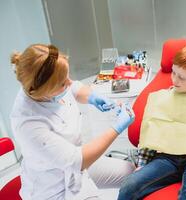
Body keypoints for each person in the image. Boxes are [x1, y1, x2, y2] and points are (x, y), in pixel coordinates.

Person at [10, 44, 135, 200]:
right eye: (63, 83)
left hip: (76, 167)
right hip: (54, 188)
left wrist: (93, 96)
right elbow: (77, 160)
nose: (69, 83)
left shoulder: (42, 84)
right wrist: (117, 127)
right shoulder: (28, 124)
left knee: (133, 174)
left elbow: (74, 88)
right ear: (44, 90)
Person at [118, 43, 186, 200]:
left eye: (181, 77)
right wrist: (142, 164)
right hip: (168, 157)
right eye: (174, 73)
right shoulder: (164, 99)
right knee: (130, 186)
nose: (174, 80)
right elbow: (151, 134)